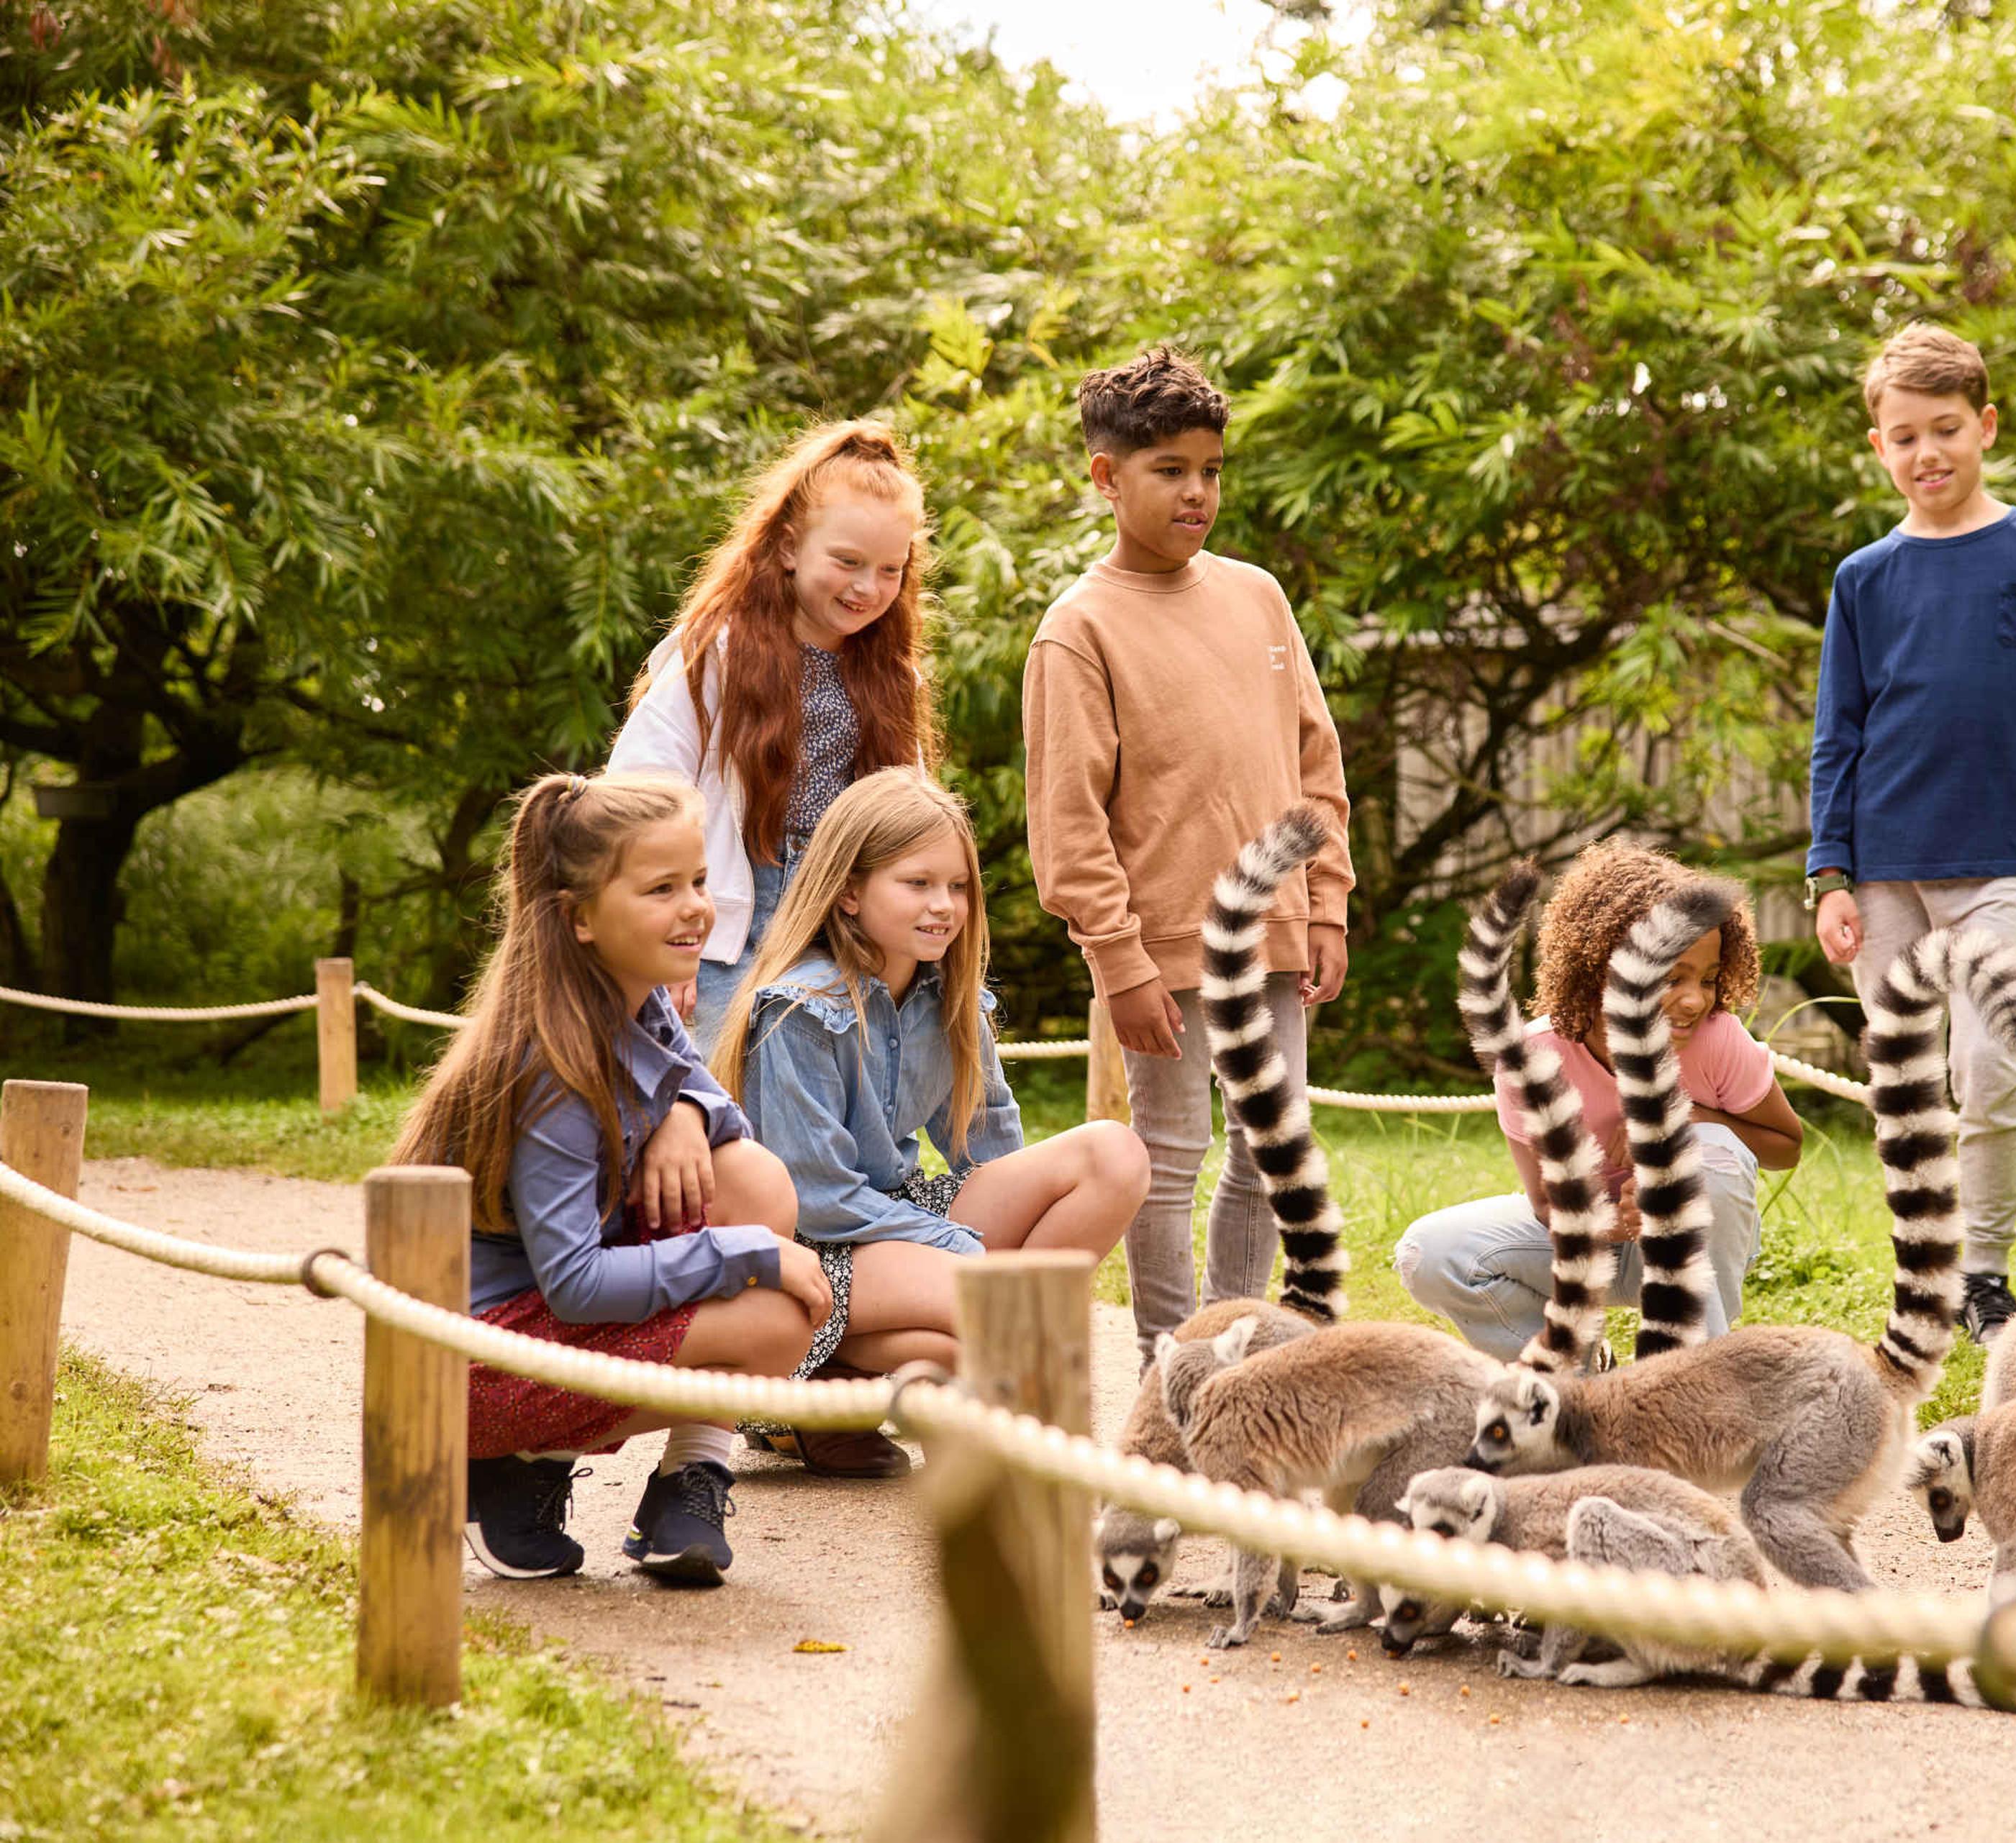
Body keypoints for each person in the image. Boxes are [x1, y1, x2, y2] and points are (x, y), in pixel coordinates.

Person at [392, 772, 831, 1587]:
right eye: (661, 888)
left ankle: (682, 1488)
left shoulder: (637, 998)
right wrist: (750, 1257)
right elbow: (576, 1288)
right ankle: (510, 1457)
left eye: (698, 881)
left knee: (753, 1183)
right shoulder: (553, 1070)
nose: (695, 906)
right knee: (771, 1323)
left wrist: (686, 1114)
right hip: (469, 1372)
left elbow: (713, 1109)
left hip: (532, 1327)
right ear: (580, 918)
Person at [1022, 345, 1356, 1365]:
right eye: (1169, 470)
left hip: (1280, 934)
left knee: (1271, 1152)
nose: (1197, 492)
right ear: (1105, 476)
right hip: (1162, 951)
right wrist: (1117, 962)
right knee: (1169, 1158)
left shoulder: (1258, 597)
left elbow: (1315, 757)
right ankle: (1170, 1357)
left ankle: (1235, 1347)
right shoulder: (1077, 630)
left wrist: (1328, 901)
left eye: (1211, 470)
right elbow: (1069, 824)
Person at [1806, 322, 2016, 1344]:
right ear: (1879, 449)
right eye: (1902, 437)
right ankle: (1920, 1266)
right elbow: (1837, 733)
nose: (1926, 452)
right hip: (1884, 869)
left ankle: (1982, 1269)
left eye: (1945, 429)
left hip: (2001, 869)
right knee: (1905, 1081)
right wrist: (1830, 871)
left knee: (1988, 1067)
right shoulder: (1865, 579)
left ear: (1984, 426)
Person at [714, 768, 1148, 1474]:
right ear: (849, 892)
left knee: (1113, 1155)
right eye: (917, 884)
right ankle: (823, 1379)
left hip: (894, 1222)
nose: (944, 905)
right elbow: (818, 1199)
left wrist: (983, 1255)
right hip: (814, 1248)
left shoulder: (951, 1000)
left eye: (957, 886)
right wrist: (972, 1257)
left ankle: (970, 1358)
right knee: (982, 1318)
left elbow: (993, 1154)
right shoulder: (797, 1009)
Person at [1395, 841, 1804, 1359]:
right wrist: (1618, 1222)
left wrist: (1688, 1118)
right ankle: (1577, 1380)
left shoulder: (1717, 1039)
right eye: (1672, 977)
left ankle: (1696, 1373)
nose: (1696, 1000)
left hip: (1698, 1243)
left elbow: (1786, 1146)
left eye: (1707, 978)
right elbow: (1546, 1203)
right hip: (1593, 1241)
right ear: (1604, 966)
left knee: (1708, 1146)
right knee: (1430, 1254)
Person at [609, 419, 939, 1050]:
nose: (868, 587)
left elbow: (910, 817)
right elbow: (638, 794)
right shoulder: (718, 654)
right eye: (847, 561)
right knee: (720, 1100)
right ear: (789, 548)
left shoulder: (894, 678)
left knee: (836, 1097)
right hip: (728, 916)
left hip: (841, 916)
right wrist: (663, 944)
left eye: (890, 569)